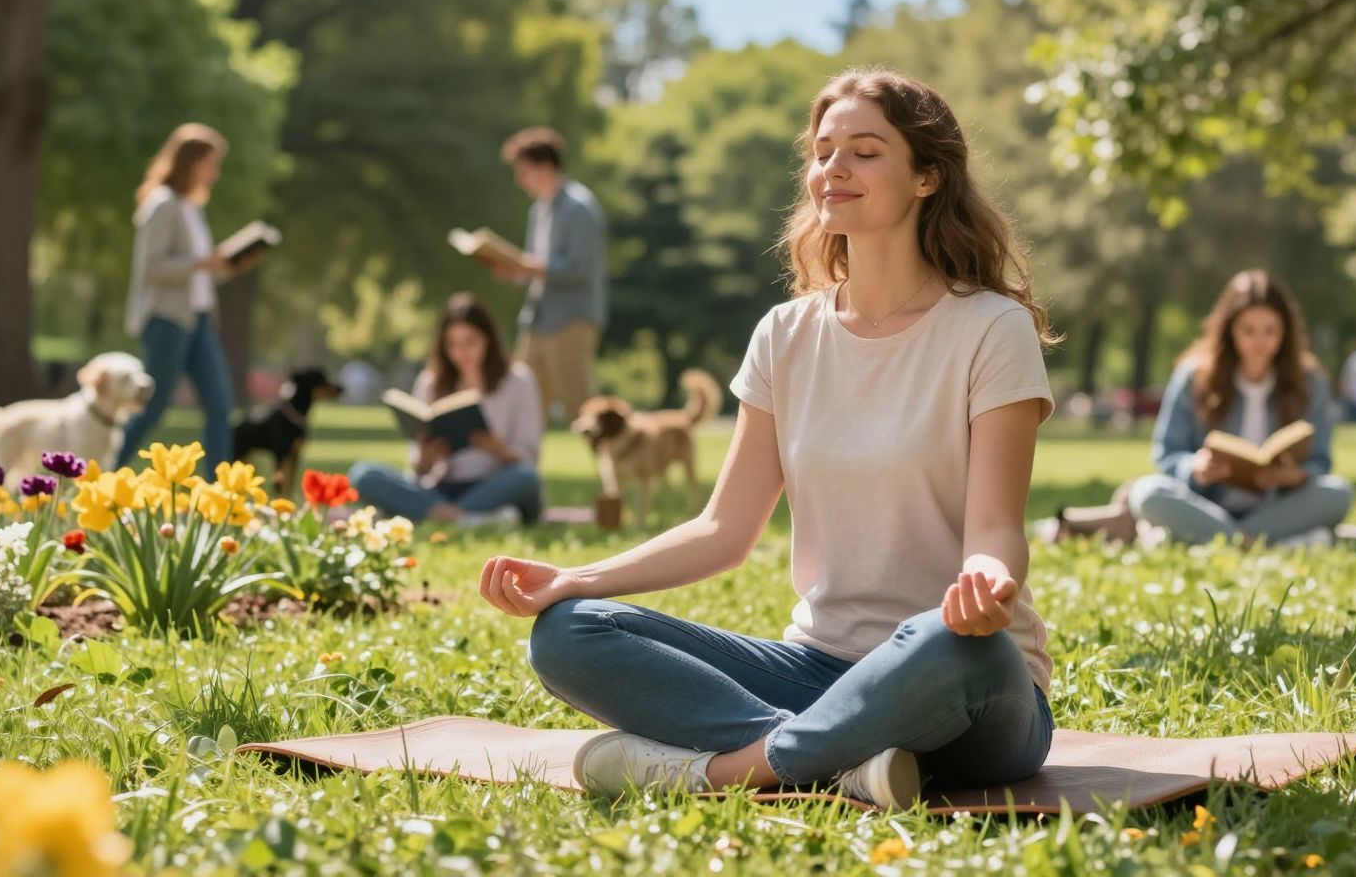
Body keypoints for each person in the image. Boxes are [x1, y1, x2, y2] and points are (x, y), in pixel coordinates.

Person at [476, 67, 1058, 811]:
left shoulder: (990, 329)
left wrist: (987, 584)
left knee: (946, 643)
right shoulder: (785, 335)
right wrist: (576, 580)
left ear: (927, 177)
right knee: (569, 633)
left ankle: (726, 772)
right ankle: (844, 759)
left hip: (962, 674)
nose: (834, 168)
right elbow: (722, 530)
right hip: (817, 670)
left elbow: (996, 529)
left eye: (865, 152)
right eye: (823, 151)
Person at [1124, 271, 1352, 545]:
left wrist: (1295, 476)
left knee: (1339, 493)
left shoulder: (1310, 382)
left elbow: (1320, 461)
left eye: (1270, 331)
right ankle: (1259, 541)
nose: (1260, 342)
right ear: (1229, 329)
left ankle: (1217, 539)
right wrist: (1195, 467)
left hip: (1277, 507)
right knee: (1146, 493)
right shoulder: (1193, 376)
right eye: (1248, 330)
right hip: (1207, 504)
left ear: (1286, 332)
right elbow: (1168, 453)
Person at [117, 123, 255, 476]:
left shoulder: (192, 207)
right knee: (152, 406)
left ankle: (220, 489)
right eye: (211, 163)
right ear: (190, 162)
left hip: (198, 318)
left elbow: (198, 272)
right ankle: (103, 472)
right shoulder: (162, 204)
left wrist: (229, 265)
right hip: (167, 319)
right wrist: (201, 263)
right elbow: (153, 268)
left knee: (220, 404)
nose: (215, 172)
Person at [348, 293, 544, 527]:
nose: (462, 352)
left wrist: (499, 450)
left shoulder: (518, 380)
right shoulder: (431, 382)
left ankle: (434, 515)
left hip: (495, 486)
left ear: (488, 340)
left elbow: (529, 457)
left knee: (525, 478)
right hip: (442, 489)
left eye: (470, 342)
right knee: (363, 475)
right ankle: (468, 519)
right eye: (453, 344)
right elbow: (417, 468)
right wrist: (425, 459)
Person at [496, 127, 607, 425]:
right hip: (537, 321)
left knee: (580, 409)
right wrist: (514, 271)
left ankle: (609, 457)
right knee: (523, 405)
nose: (520, 180)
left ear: (546, 167)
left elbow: (577, 268)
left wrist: (526, 266)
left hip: (571, 321)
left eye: (525, 172)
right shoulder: (539, 210)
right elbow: (535, 266)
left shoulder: (580, 208)